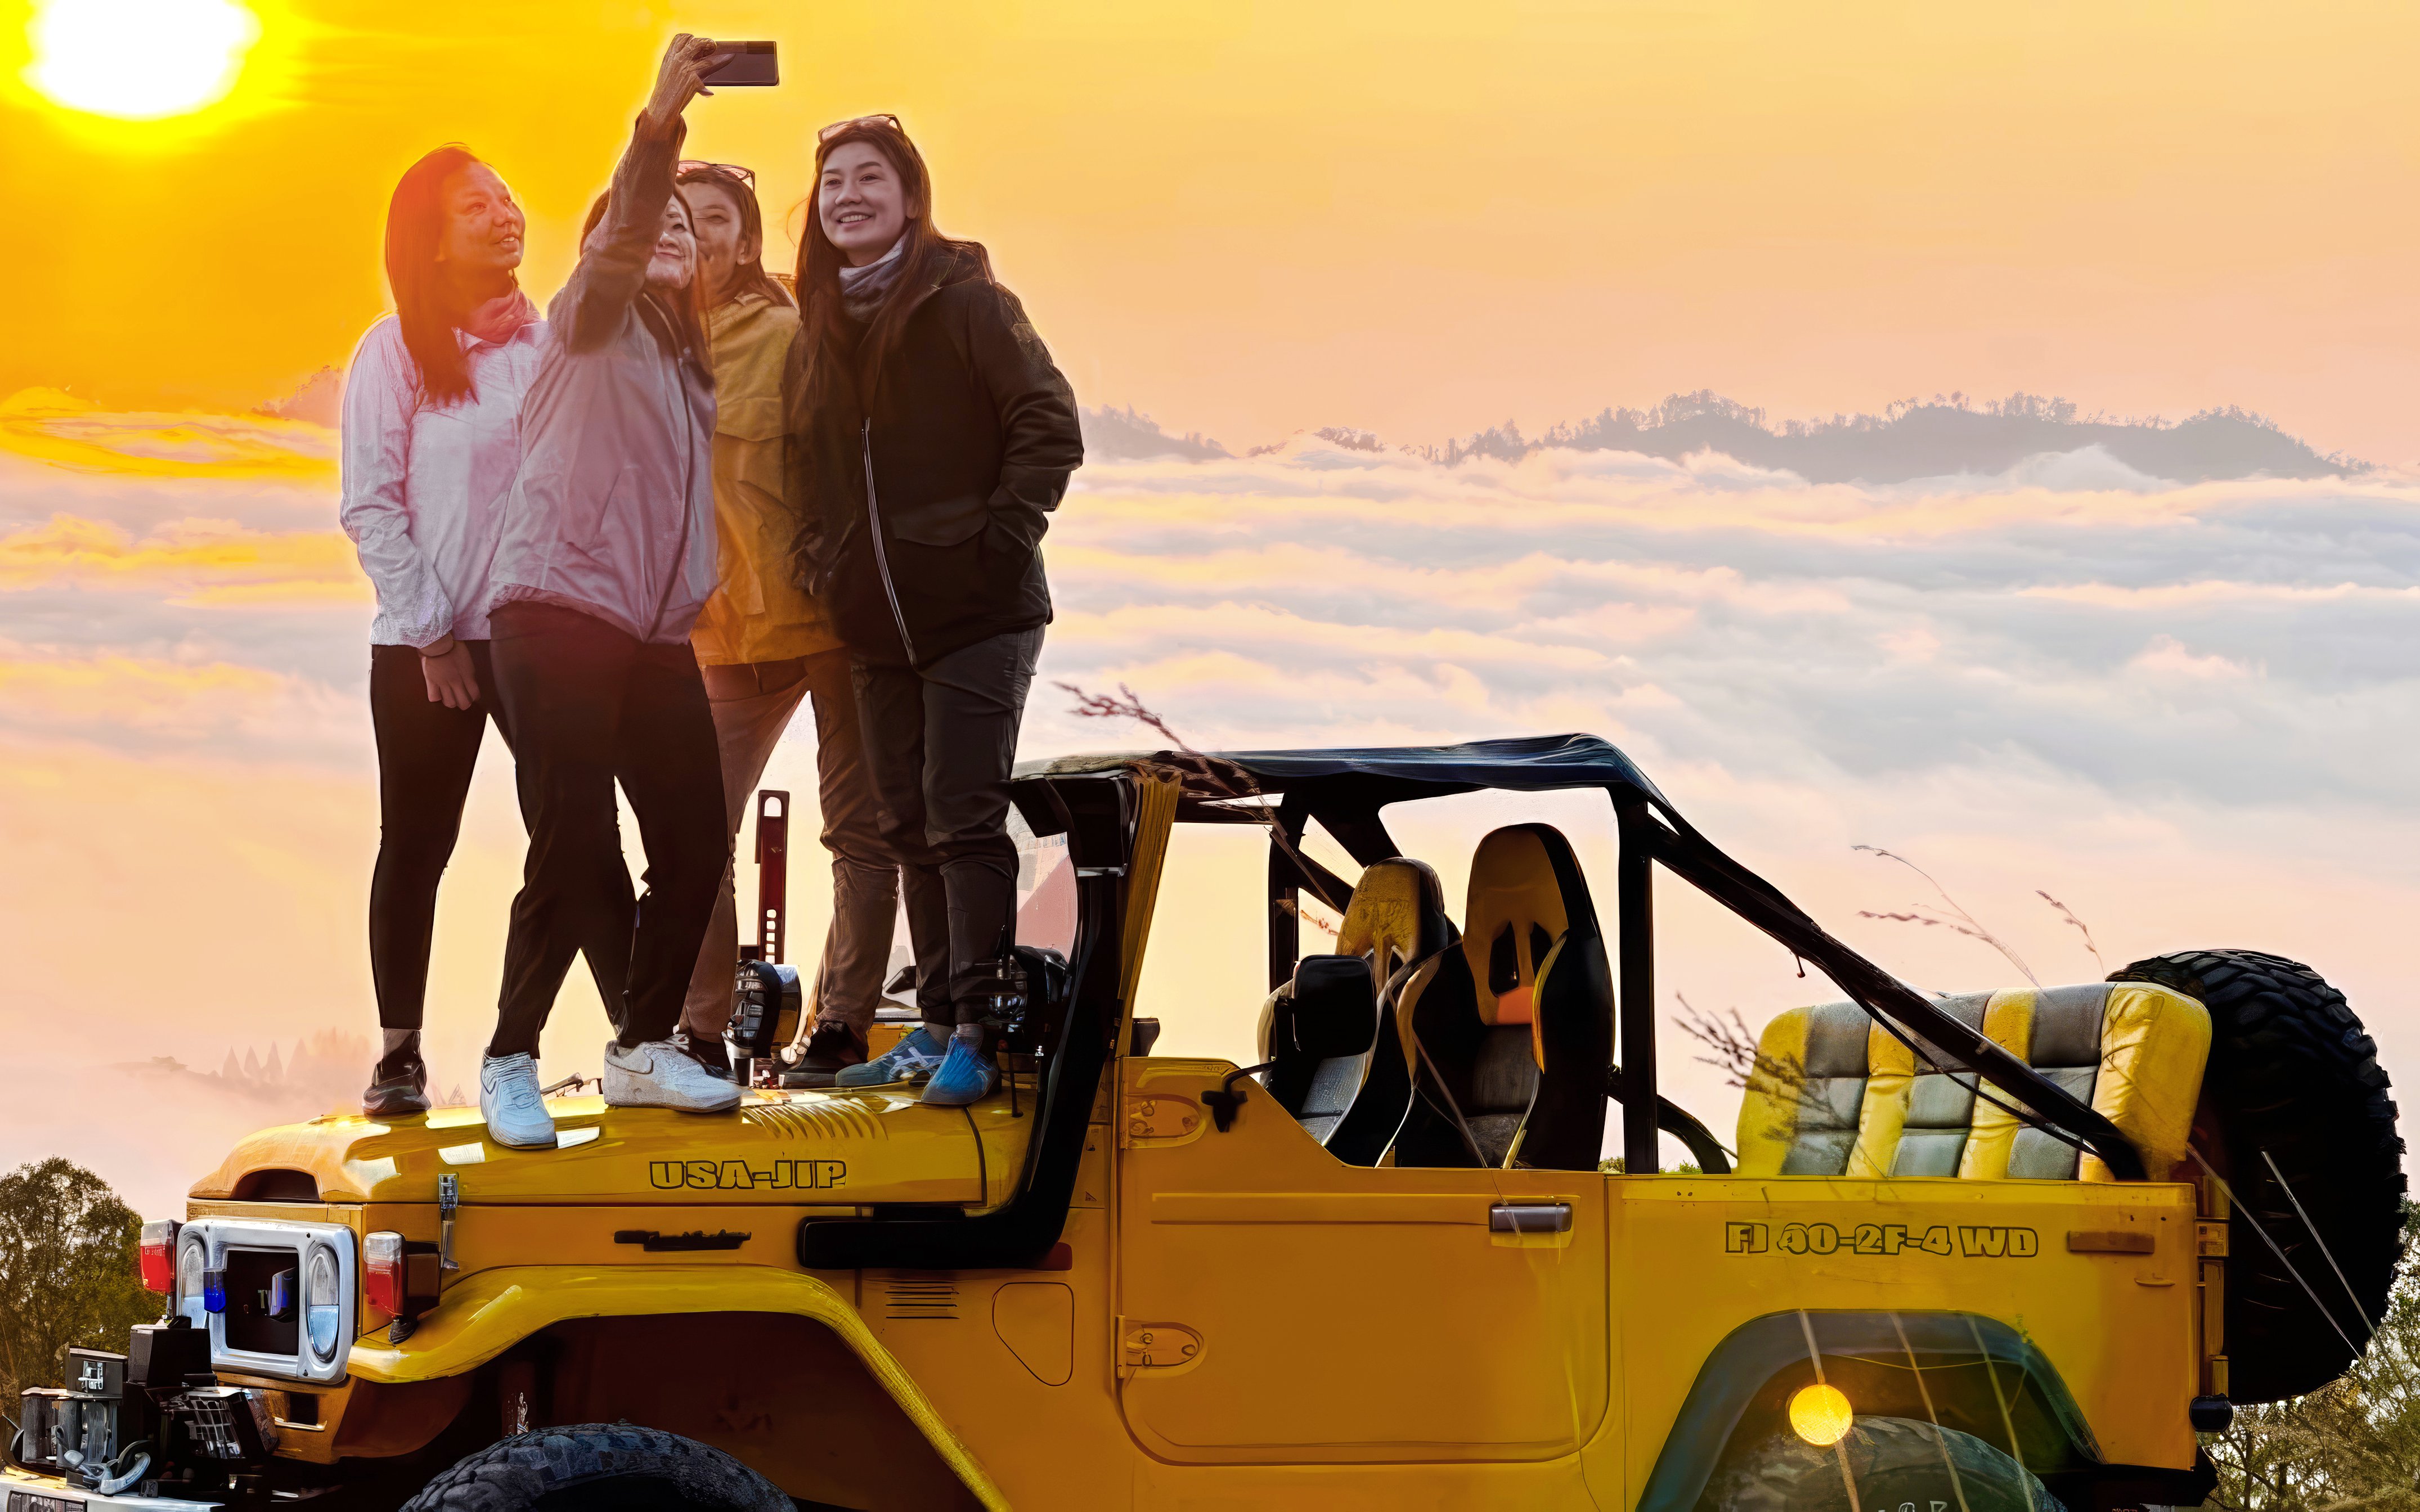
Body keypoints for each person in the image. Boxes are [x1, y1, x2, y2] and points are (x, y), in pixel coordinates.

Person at [785, 115, 1084, 1106]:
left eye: (870, 178)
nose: (848, 197)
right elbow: (805, 470)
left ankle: (975, 1031)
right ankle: (931, 1028)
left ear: (912, 198)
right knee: (905, 821)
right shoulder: (822, 323)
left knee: (963, 815)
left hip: (979, 613)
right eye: (832, 184)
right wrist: (823, 567)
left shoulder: (967, 303)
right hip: (873, 622)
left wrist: (993, 540)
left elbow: (1048, 424)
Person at [478, 34, 740, 1146]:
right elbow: (629, 229)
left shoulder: (688, 362)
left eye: (688, 228)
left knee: (696, 834)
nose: (669, 235)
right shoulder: (590, 322)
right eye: (649, 226)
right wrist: (660, 126)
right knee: (571, 836)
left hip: (646, 630)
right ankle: (509, 1058)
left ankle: (641, 1047)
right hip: (555, 612)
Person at [339, 145, 627, 1118]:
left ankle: (638, 1031)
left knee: (580, 833)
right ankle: (399, 1055)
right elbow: (370, 505)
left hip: (541, 640)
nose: (505, 215)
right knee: (417, 843)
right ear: (431, 238)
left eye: (508, 198)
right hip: (428, 642)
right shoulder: (394, 352)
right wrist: (433, 638)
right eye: (476, 206)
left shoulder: (545, 348)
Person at [672, 162, 900, 1087]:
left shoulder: (792, 333)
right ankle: (700, 1033)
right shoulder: (647, 341)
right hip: (716, 636)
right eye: (680, 217)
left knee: (862, 827)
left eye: (717, 217)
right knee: (692, 835)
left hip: (826, 623)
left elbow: (855, 457)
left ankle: (843, 1023)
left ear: (749, 236)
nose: (699, 233)